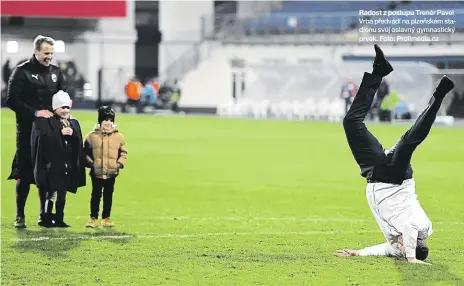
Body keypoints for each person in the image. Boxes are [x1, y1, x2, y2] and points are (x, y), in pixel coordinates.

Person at [335, 44, 455, 265]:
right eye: (404, 245)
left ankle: (379, 71)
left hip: (376, 174)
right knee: (410, 140)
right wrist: (411, 257)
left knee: (351, 123)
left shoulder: (396, 248)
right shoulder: (424, 227)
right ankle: (437, 97)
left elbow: (384, 249)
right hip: (399, 178)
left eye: (400, 247)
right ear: (415, 243)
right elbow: (410, 228)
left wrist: (359, 253)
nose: (399, 244)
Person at [6, 35, 67, 228]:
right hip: (26, 130)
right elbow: (11, 100)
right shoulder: (21, 72)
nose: (50, 56)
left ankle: (44, 215)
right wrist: (35, 112)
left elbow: (62, 98)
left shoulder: (56, 72)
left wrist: (63, 117)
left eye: (52, 53)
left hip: (50, 130)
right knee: (24, 173)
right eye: (46, 53)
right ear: (36, 51)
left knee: (47, 173)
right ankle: (20, 215)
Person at [30, 90, 86, 227]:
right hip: (52, 165)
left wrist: (72, 135)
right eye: (63, 107)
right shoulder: (45, 122)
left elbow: (78, 143)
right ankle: (45, 217)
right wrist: (59, 134)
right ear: (56, 108)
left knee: (62, 193)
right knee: (50, 192)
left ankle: (59, 218)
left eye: (67, 107)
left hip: (67, 165)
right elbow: (42, 141)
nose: (66, 110)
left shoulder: (73, 122)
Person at [84, 106, 128, 228]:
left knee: (108, 195)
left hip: (112, 172)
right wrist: (91, 164)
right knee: (96, 195)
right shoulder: (91, 136)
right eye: (106, 120)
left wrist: (119, 164)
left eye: (111, 120)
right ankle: (93, 218)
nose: (108, 123)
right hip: (96, 172)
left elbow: (123, 152)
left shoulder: (119, 137)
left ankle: (106, 218)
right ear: (100, 121)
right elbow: (84, 152)